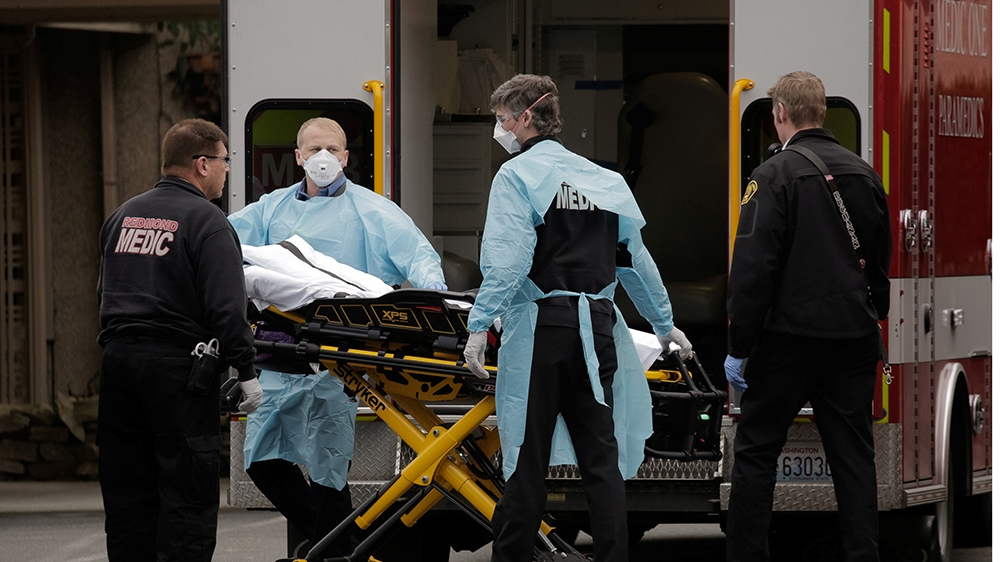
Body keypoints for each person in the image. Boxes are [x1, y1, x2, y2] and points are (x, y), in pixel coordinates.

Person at [462, 74, 693, 562]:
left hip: (540, 332)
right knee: (601, 463)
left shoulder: (517, 176)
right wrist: (663, 323)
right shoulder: (604, 180)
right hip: (598, 334)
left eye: (502, 120)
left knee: (527, 459)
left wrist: (480, 324)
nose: (499, 129)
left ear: (524, 118)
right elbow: (636, 260)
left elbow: (507, 260)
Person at [228, 116, 448, 557]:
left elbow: (420, 258)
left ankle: (332, 550)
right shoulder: (271, 208)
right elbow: (220, 238)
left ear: (347, 157)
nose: (322, 158)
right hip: (282, 348)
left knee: (330, 469)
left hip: (342, 353)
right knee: (262, 461)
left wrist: (437, 307)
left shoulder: (374, 211)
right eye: (313, 150)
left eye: (332, 149)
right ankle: (351, 547)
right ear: (298, 157)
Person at [724, 71, 891, 562]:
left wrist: (739, 346)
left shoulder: (772, 176)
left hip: (787, 341)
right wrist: (871, 316)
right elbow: (880, 261)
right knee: (854, 459)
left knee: (756, 452)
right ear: (823, 111)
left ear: (780, 114)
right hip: (852, 339)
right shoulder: (865, 174)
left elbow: (753, 270)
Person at [96, 118, 264, 562]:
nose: (228, 171)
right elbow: (227, 309)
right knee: (186, 490)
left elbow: (104, 293)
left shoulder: (123, 216)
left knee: (128, 491)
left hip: (118, 366)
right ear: (203, 164)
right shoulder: (207, 223)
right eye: (226, 162)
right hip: (178, 372)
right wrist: (247, 373)